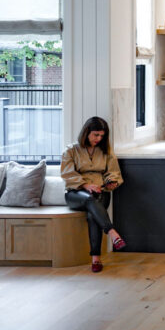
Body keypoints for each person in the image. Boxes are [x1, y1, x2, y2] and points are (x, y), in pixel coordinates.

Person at [61, 117, 126, 272]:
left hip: (101, 191)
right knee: (89, 199)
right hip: (76, 194)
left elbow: (113, 172)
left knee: (92, 215)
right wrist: (85, 185)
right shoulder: (70, 151)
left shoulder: (107, 152)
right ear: (86, 133)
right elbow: (67, 174)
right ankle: (112, 231)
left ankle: (95, 259)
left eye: (102, 136)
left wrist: (112, 182)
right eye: (95, 135)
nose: (99, 139)